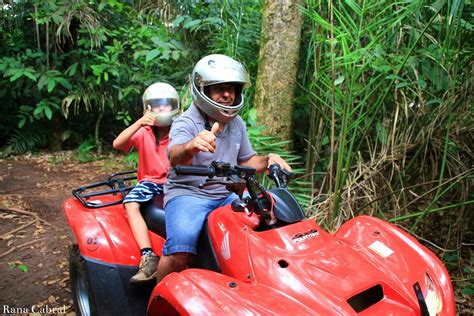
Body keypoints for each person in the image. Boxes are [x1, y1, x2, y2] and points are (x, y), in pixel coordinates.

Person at [156, 54, 292, 282]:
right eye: (219, 89)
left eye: (232, 89)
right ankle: (157, 298)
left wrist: (270, 159)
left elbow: (247, 161)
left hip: (226, 194)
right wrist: (191, 146)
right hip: (189, 194)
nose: (227, 95)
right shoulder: (186, 122)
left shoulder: (236, 123)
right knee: (180, 251)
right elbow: (174, 156)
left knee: (268, 225)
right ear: (203, 91)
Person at [112, 82, 180, 284]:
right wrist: (139, 123)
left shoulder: (180, 131)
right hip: (150, 182)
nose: (161, 109)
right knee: (131, 203)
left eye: (166, 105)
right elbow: (118, 144)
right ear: (148, 108)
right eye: (156, 105)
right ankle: (148, 255)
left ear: (174, 106)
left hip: (175, 181)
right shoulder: (144, 132)